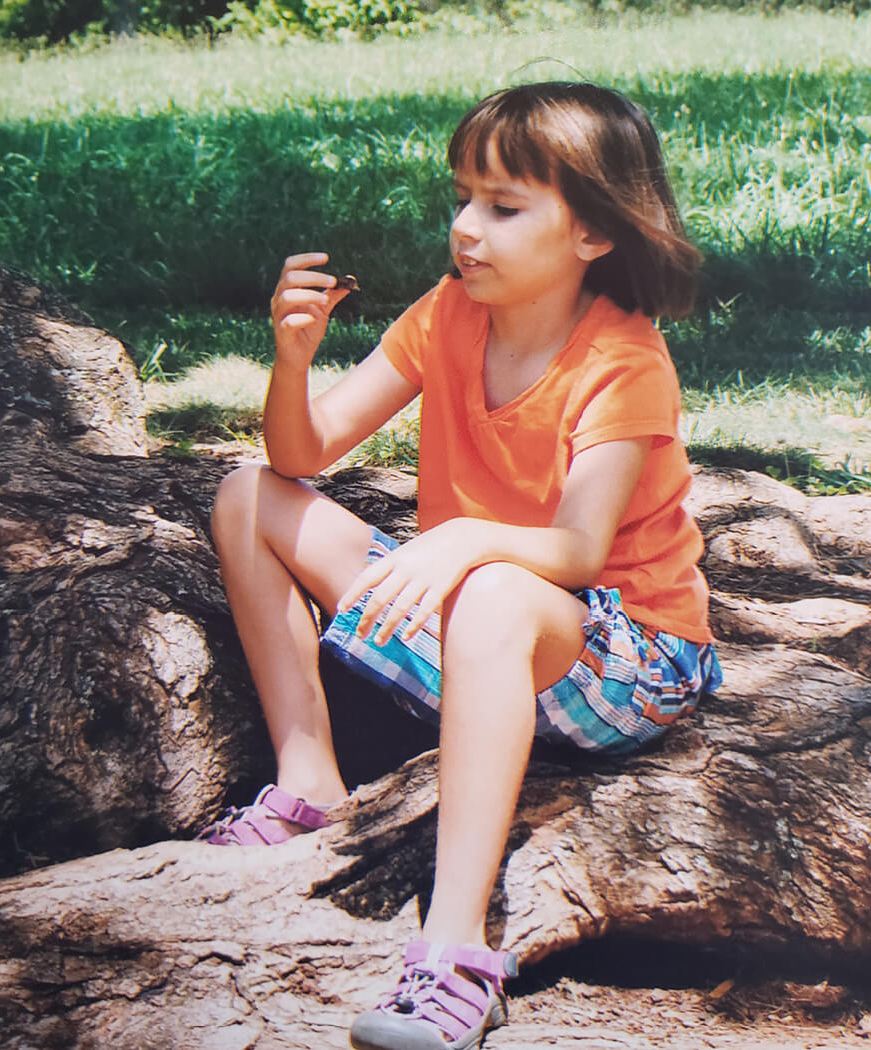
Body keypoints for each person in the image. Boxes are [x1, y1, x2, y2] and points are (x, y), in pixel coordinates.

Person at [205, 80, 723, 1050]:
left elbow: (573, 553)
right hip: (485, 619)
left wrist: (460, 543)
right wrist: (291, 359)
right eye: (462, 198)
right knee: (245, 495)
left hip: (625, 657)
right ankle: (307, 775)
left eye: (503, 206)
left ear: (594, 235)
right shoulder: (447, 314)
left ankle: (453, 958)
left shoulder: (624, 359)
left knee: (487, 589)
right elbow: (300, 456)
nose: (465, 229)